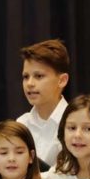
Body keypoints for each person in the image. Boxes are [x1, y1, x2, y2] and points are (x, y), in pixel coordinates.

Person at [16, 39, 71, 168]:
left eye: (39, 76)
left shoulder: (74, 125)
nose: (30, 83)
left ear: (62, 80)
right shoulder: (21, 124)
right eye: (26, 77)